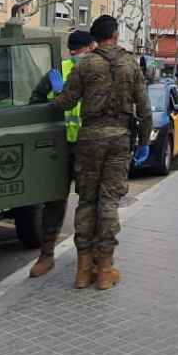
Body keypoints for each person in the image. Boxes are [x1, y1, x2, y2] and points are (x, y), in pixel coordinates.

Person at [50, 15, 153, 290]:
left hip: (89, 138)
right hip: (119, 138)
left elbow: (66, 102)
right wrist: (144, 141)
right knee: (108, 202)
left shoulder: (85, 65)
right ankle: (105, 270)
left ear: (94, 39)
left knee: (87, 200)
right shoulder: (130, 63)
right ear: (116, 35)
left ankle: (83, 271)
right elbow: (144, 107)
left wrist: (57, 92)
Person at [26, 29, 95, 279]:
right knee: (57, 200)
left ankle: (86, 258)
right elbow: (34, 105)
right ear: (87, 47)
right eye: (83, 50)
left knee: (86, 202)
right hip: (60, 146)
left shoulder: (95, 71)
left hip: (87, 145)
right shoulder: (59, 71)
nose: (82, 55)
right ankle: (47, 255)